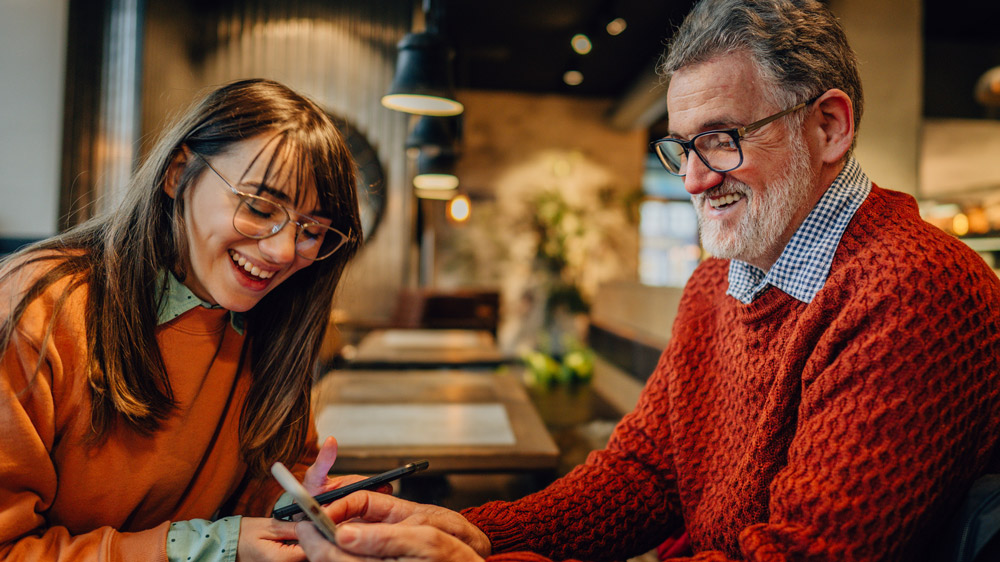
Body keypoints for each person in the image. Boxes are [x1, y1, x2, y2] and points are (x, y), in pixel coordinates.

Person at [293, 1, 1000, 561]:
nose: (691, 177)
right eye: (680, 146)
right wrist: (465, 532)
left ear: (828, 127)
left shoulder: (910, 289)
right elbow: (645, 473)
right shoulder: (719, 282)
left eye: (721, 139)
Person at [0, 78, 367, 561]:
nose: (281, 251)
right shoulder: (41, 307)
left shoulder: (276, 321)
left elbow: (264, 478)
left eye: (312, 230)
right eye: (259, 207)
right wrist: (201, 548)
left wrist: (300, 503)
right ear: (178, 173)